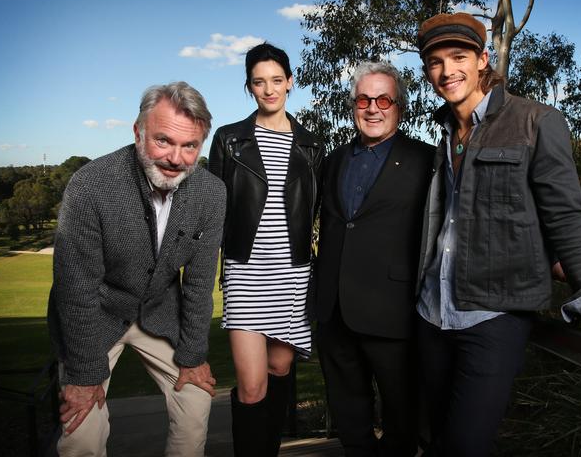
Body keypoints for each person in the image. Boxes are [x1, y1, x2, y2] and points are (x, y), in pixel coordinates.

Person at [415, 12, 581, 457]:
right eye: (435, 62)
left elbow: (566, 217)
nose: (447, 71)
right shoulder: (446, 131)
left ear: (482, 58)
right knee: (434, 440)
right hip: (432, 313)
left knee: (467, 446)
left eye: (458, 56)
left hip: (495, 314)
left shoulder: (535, 121)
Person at [47, 81, 226, 456]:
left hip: (160, 311)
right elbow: (75, 290)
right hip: (95, 313)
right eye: (163, 140)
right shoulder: (90, 186)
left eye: (189, 146)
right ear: (138, 132)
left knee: (195, 401)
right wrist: (83, 376)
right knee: (82, 427)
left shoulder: (212, 193)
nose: (175, 158)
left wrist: (193, 357)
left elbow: (197, 284)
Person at [313, 60, 435, 456]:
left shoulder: (427, 160)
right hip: (333, 310)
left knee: (402, 417)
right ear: (353, 105)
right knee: (350, 416)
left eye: (384, 99)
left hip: (393, 310)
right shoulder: (331, 161)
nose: (373, 107)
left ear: (399, 106)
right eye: (364, 99)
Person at [208, 42, 323, 456]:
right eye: (259, 82)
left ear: (290, 83)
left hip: (293, 274)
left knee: (280, 369)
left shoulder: (312, 145)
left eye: (277, 80)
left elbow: (318, 209)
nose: (269, 89)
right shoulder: (229, 140)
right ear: (249, 87)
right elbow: (212, 212)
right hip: (245, 273)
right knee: (252, 387)